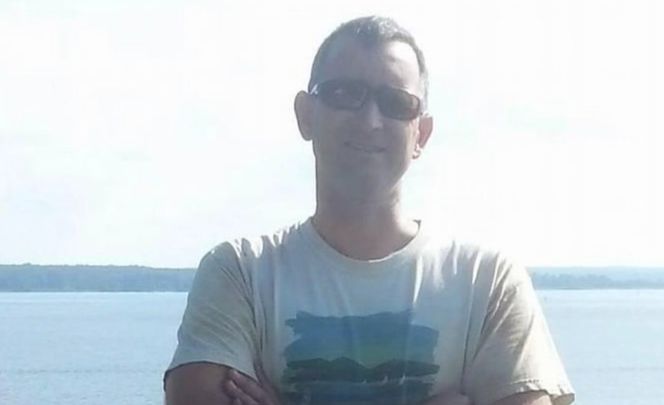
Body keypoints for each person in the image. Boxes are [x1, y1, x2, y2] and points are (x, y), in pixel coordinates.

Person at [164, 16, 575, 405]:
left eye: (396, 102)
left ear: (421, 134)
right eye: (345, 94)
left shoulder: (488, 282)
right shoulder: (240, 273)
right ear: (305, 115)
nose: (370, 120)